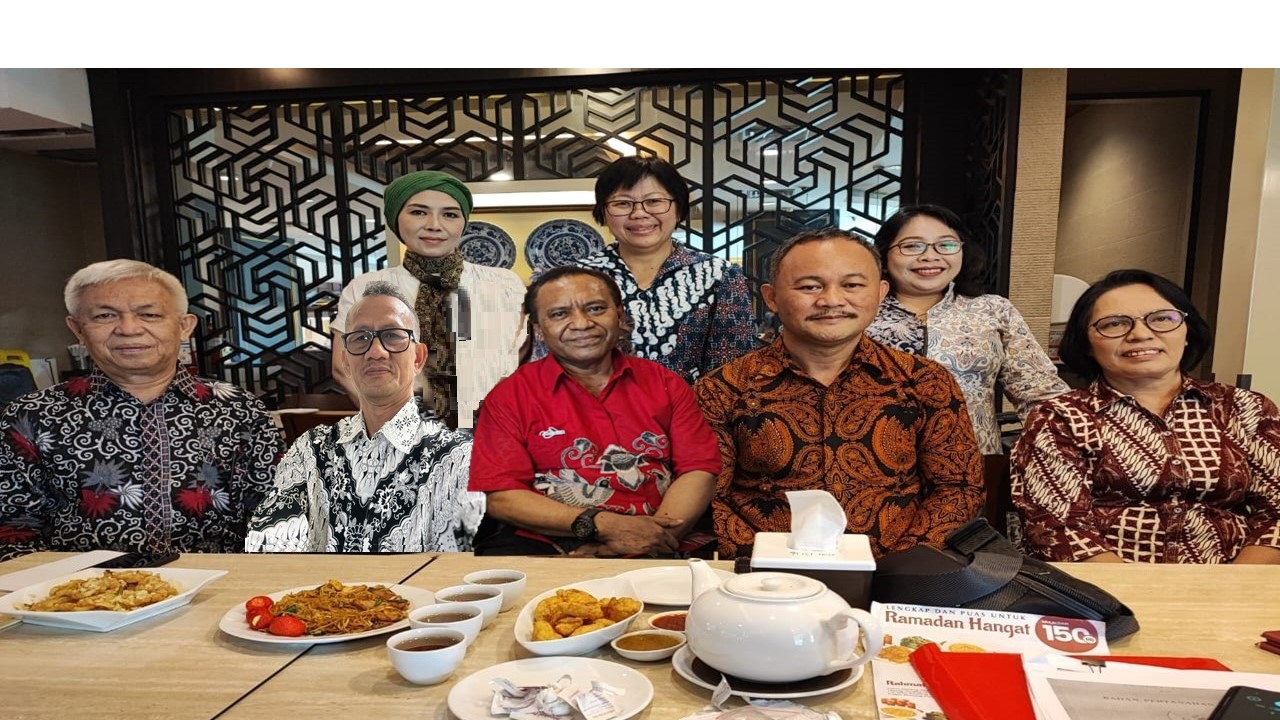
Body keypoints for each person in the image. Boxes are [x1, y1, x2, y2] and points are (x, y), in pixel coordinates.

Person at [695, 228, 985, 559]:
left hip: (899, 573)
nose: (831, 300)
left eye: (852, 285)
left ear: (880, 292)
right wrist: (767, 562)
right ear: (771, 297)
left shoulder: (924, 381)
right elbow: (709, 498)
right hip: (765, 576)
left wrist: (897, 567)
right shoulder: (723, 388)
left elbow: (958, 489)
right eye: (809, 287)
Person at [0, 260, 283, 561]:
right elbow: (13, 526)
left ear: (184, 326)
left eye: (149, 314)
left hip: (220, 582)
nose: (129, 329)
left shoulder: (240, 410)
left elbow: (273, 518)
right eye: (105, 315)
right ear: (78, 329)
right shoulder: (32, 415)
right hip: (75, 586)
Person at [1011, 268, 1280, 564]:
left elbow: (1275, 513)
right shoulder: (1060, 418)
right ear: (1086, 344)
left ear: (1187, 331)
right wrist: (1134, 592)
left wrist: (1236, 585)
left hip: (1239, 582)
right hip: (1103, 588)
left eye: (1162, 318)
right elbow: (1058, 527)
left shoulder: (1245, 408)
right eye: (1114, 324)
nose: (1140, 334)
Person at [469, 266, 721, 556]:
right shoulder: (510, 396)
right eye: (559, 314)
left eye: (596, 308)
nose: (581, 323)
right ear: (538, 328)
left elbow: (698, 470)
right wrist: (601, 527)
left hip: (663, 536)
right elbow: (502, 497)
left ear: (619, 315)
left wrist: (651, 539)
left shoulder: (665, 384)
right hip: (549, 543)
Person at [246, 283, 481, 552]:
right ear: (346, 361)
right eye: (360, 338)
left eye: (392, 335)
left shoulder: (460, 458)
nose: (376, 352)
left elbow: (465, 567)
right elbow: (266, 551)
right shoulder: (308, 450)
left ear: (418, 358)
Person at [533, 156, 756, 383]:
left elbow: (734, 370)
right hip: (590, 405)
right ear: (603, 212)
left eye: (654, 201)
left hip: (693, 405)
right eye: (622, 203)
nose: (639, 213)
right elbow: (549, 363)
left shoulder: (719, 275)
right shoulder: (572, 279)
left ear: (678, 208)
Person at [331, 170, 525, 430]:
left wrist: (495, 423)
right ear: (396, 219)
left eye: (450, 214)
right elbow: (343, 367)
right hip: (403, 435)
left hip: (496, 431)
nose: (434, 224)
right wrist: (399, 426)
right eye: (418, 212)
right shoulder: (366, 288)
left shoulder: (504, 284)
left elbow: (524, 359)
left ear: (463, 222)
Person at [867, 204, 1068, 454]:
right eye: (912, 246)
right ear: (884, 257)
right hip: (872, 463)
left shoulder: (994, 310)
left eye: (946, 244)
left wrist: (1070, 440)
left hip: (972, 462)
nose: (930, 256)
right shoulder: (860, 312)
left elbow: (1038, 390)